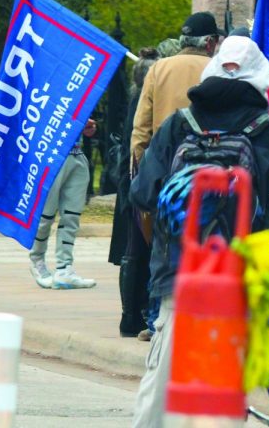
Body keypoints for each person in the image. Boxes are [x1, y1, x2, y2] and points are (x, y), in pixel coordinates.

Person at [130, 35, 269, 426]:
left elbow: (142, 192)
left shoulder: (180, 124)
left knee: (162, 377)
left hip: (178, 267)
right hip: (241, 263)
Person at [109, 48, 159, 337]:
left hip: (132, 182)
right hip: (140, 182)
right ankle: (134, 314)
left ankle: (132, 315)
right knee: (139, 250)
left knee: (133, 250)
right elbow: (139, 141)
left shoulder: (135, 98)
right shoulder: (144, 100)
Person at [130, 12, 223, 166]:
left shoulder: (158, 68)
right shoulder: (218, 69)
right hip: (207, 163)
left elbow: (142, 126)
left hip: (163, 161)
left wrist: (138, 169)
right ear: (209, 42)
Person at [28, 118, 99, 289]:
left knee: (72, 216)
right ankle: (37, 260)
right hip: (50, 155)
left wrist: (86, 126)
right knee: (46, 215)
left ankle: (64, 268)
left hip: (76, 153)